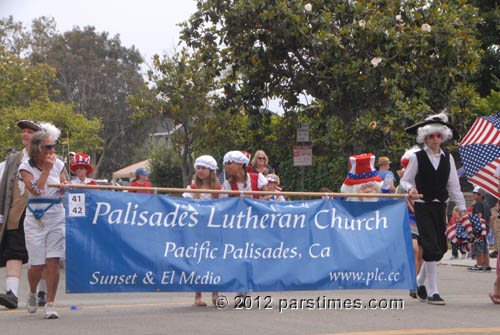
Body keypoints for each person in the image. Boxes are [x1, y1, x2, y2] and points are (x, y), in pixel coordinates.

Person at [401, 112, 466, 305]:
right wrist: (410, 188)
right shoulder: (417, 157)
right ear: (425, 138)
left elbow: (454, 185)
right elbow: (405, 180)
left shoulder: (449, 159)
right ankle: (433, 292)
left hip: (440, 207)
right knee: (429, 245)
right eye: (431, 136)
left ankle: (420, 281)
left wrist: (461, 207)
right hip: (422, 206)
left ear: (443, 136)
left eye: (438, 136)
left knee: (438, 248)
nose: (435, 139)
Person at [19, 124, 69, 319]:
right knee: (37, 265)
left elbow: (63, 185)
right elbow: (36, 190)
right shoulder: (25, 167)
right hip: (35, 217)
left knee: (53, 260)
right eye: (48, 147)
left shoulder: (58, 163)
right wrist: (46, 171)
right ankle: (32, 292)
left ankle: (50, 303)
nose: (52, 151)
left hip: (56, 214)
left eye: (53, 146)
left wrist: (64, 185)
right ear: (37, 148)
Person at [0, 120, 48, 310]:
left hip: (41, 214)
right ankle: (11, 294)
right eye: (24, 132)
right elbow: (3, 187)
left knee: (42, 253)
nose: (25, 135)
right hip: (16, 214)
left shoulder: (49, 158)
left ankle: (43, 291)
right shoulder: (12, 160)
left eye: (30, 132)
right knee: (14, 251)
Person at [183, 155, 223, 306]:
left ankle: (215, 293)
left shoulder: (219, 190)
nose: (200, 171)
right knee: (198, 260)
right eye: (198, 168)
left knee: (215, 260)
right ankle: (198, 295)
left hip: (215, 229)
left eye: (203, 168)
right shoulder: (192, 189)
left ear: (211, 170)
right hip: (197, 229)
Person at [396, 147, 424, 299]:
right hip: (409, 217)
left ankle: (419, 282)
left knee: (422, 252)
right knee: (414, 249)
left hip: (424, 216)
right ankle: (412, 283)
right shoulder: (403, 183)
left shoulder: (426, 179)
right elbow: (397, 201)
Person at [469, 187, 492, 271]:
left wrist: (475, 227)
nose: (473, 195)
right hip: (486, 228)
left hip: (479, 229)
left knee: (478, 247)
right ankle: (486, 264)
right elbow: (490, 217)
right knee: (485, 247)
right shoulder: (486, 204)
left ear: (481, 195)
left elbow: (479, 216)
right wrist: (488, 226)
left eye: (475, 193)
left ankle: (479, 265)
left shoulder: (477, 204)